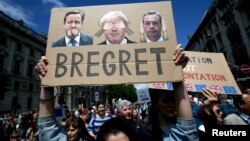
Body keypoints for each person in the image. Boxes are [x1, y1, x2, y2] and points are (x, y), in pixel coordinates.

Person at [34, 44, 188, 140]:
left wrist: (177, 73)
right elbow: (48, 131)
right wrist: (47, 81)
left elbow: (49, 130)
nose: (128, 111)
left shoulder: (142, 130)